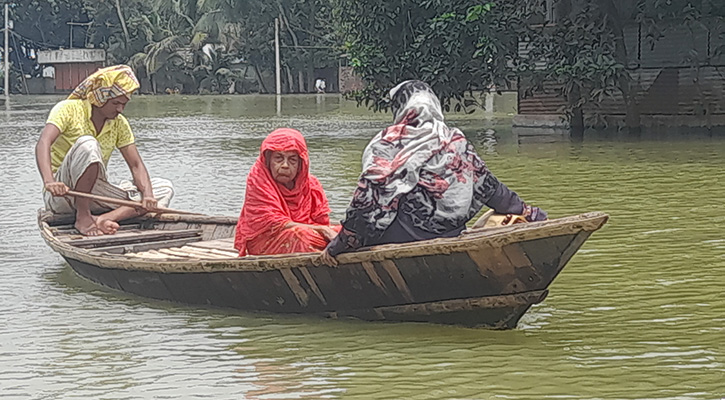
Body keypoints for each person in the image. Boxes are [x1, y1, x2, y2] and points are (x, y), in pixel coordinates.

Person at [319, 80, 547, 265]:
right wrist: (530, 213)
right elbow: (490, 189)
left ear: (400, 108)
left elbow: (368, 203)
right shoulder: (455, 140)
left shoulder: (389, 142)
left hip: (401, 237)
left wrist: (340, 245)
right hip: (450, 234)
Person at [35, 65, 174, 236]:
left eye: (124, 104)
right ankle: (83, 216)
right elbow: (44, 142)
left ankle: (104, 218)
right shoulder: (68, 109)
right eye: (115, 103)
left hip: (95, 194)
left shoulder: (119, 123)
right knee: (88, 144)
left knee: (164, 188)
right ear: (99, 98)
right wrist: (50, 182)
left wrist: (148, 196)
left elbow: (136, 165)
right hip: (64, 193)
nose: (120, 109)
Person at [234, 128, 340, 256]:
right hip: (267, 239)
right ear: (268, 161)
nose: (285, 165)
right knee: (300, 235)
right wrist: (321, 230)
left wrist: (325, 230)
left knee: (348, 232)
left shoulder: (311, 184)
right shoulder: (258, 180)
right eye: (278, 158)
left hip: (307, 232)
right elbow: (274, 223)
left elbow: (322, 221)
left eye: (292, 160)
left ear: (301, 164)